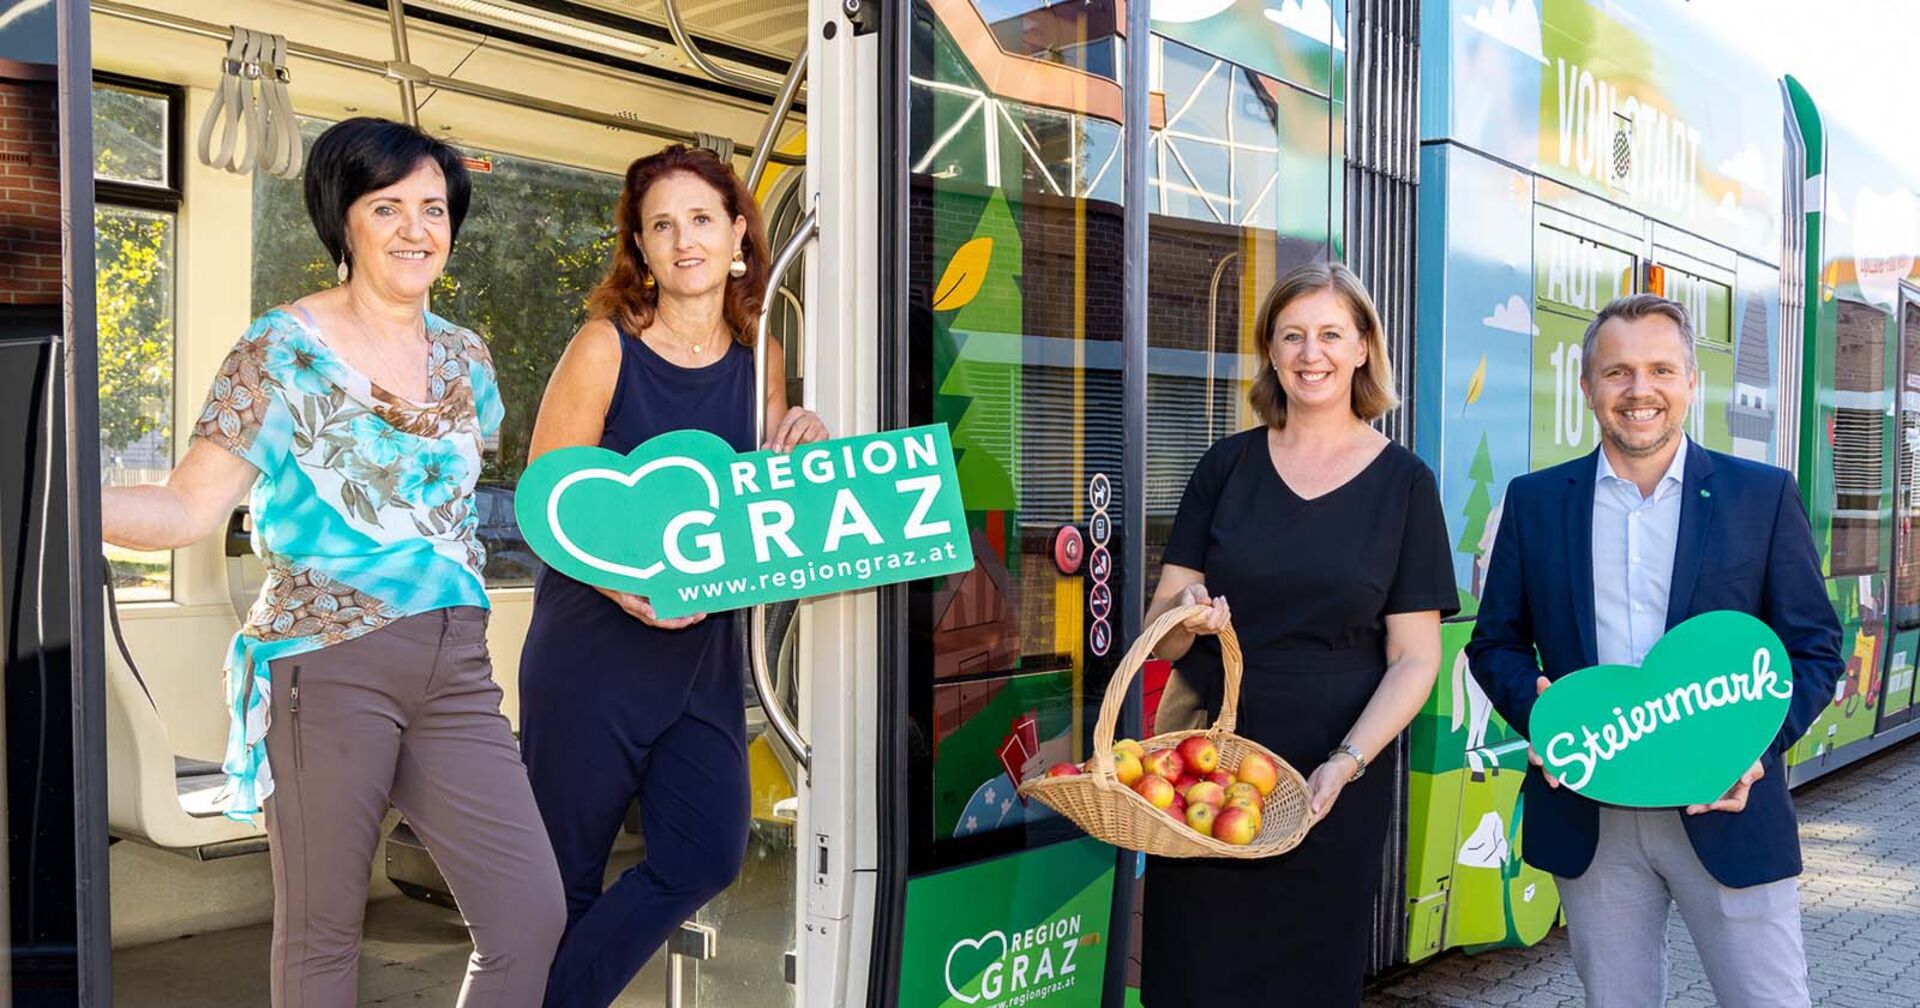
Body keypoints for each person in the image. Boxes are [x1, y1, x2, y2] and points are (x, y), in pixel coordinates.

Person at [100, 117, 565, 1006]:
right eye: (387, 207)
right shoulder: (279, 350)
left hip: (456, 665)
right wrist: (52, 492)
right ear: (341, 219)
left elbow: (449, 509)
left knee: (529, 915)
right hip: (328, 660)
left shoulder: (468, 357)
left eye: (433, 208)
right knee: (322, 939)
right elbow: (186, 507)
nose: (416, 230)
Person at [1467, 293, 1843, 1007]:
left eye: (1661, 370)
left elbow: (1814, 648)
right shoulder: (1536, 501)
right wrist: (1541, 713)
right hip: (1592, 812)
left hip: (1724, 808)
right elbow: (1497, 644)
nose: (1640, 391)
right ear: (1586, 387)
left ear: (1691, 383)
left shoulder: (1759, 497)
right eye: (1618, 373)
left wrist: (1754, 752)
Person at [519, 144, 827, 1007]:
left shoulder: (758, 357)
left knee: (704, 855)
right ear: (641, 247)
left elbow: (771, 505)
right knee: (562, 885)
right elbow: (545, 504)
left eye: (701, 219)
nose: (683, 240)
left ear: (736, 233)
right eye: (662, 225)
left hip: (703, 661)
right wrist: (621, 586)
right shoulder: (604, 348)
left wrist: (807, 441)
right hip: (592, 659)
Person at [1140, 262, 1456, 1006]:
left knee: (1310, 978)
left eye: (1329, 335)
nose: (1310, 353)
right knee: (1195, 974)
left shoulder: (1405, 483)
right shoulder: (1226, 465)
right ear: (1271, 353)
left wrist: (1346, 763)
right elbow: (1159, 637)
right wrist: (1185, 612)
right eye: (1292, 336)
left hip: (1334, 777)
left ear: (1361, 350)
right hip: (1208, 766)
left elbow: (1415, 659)